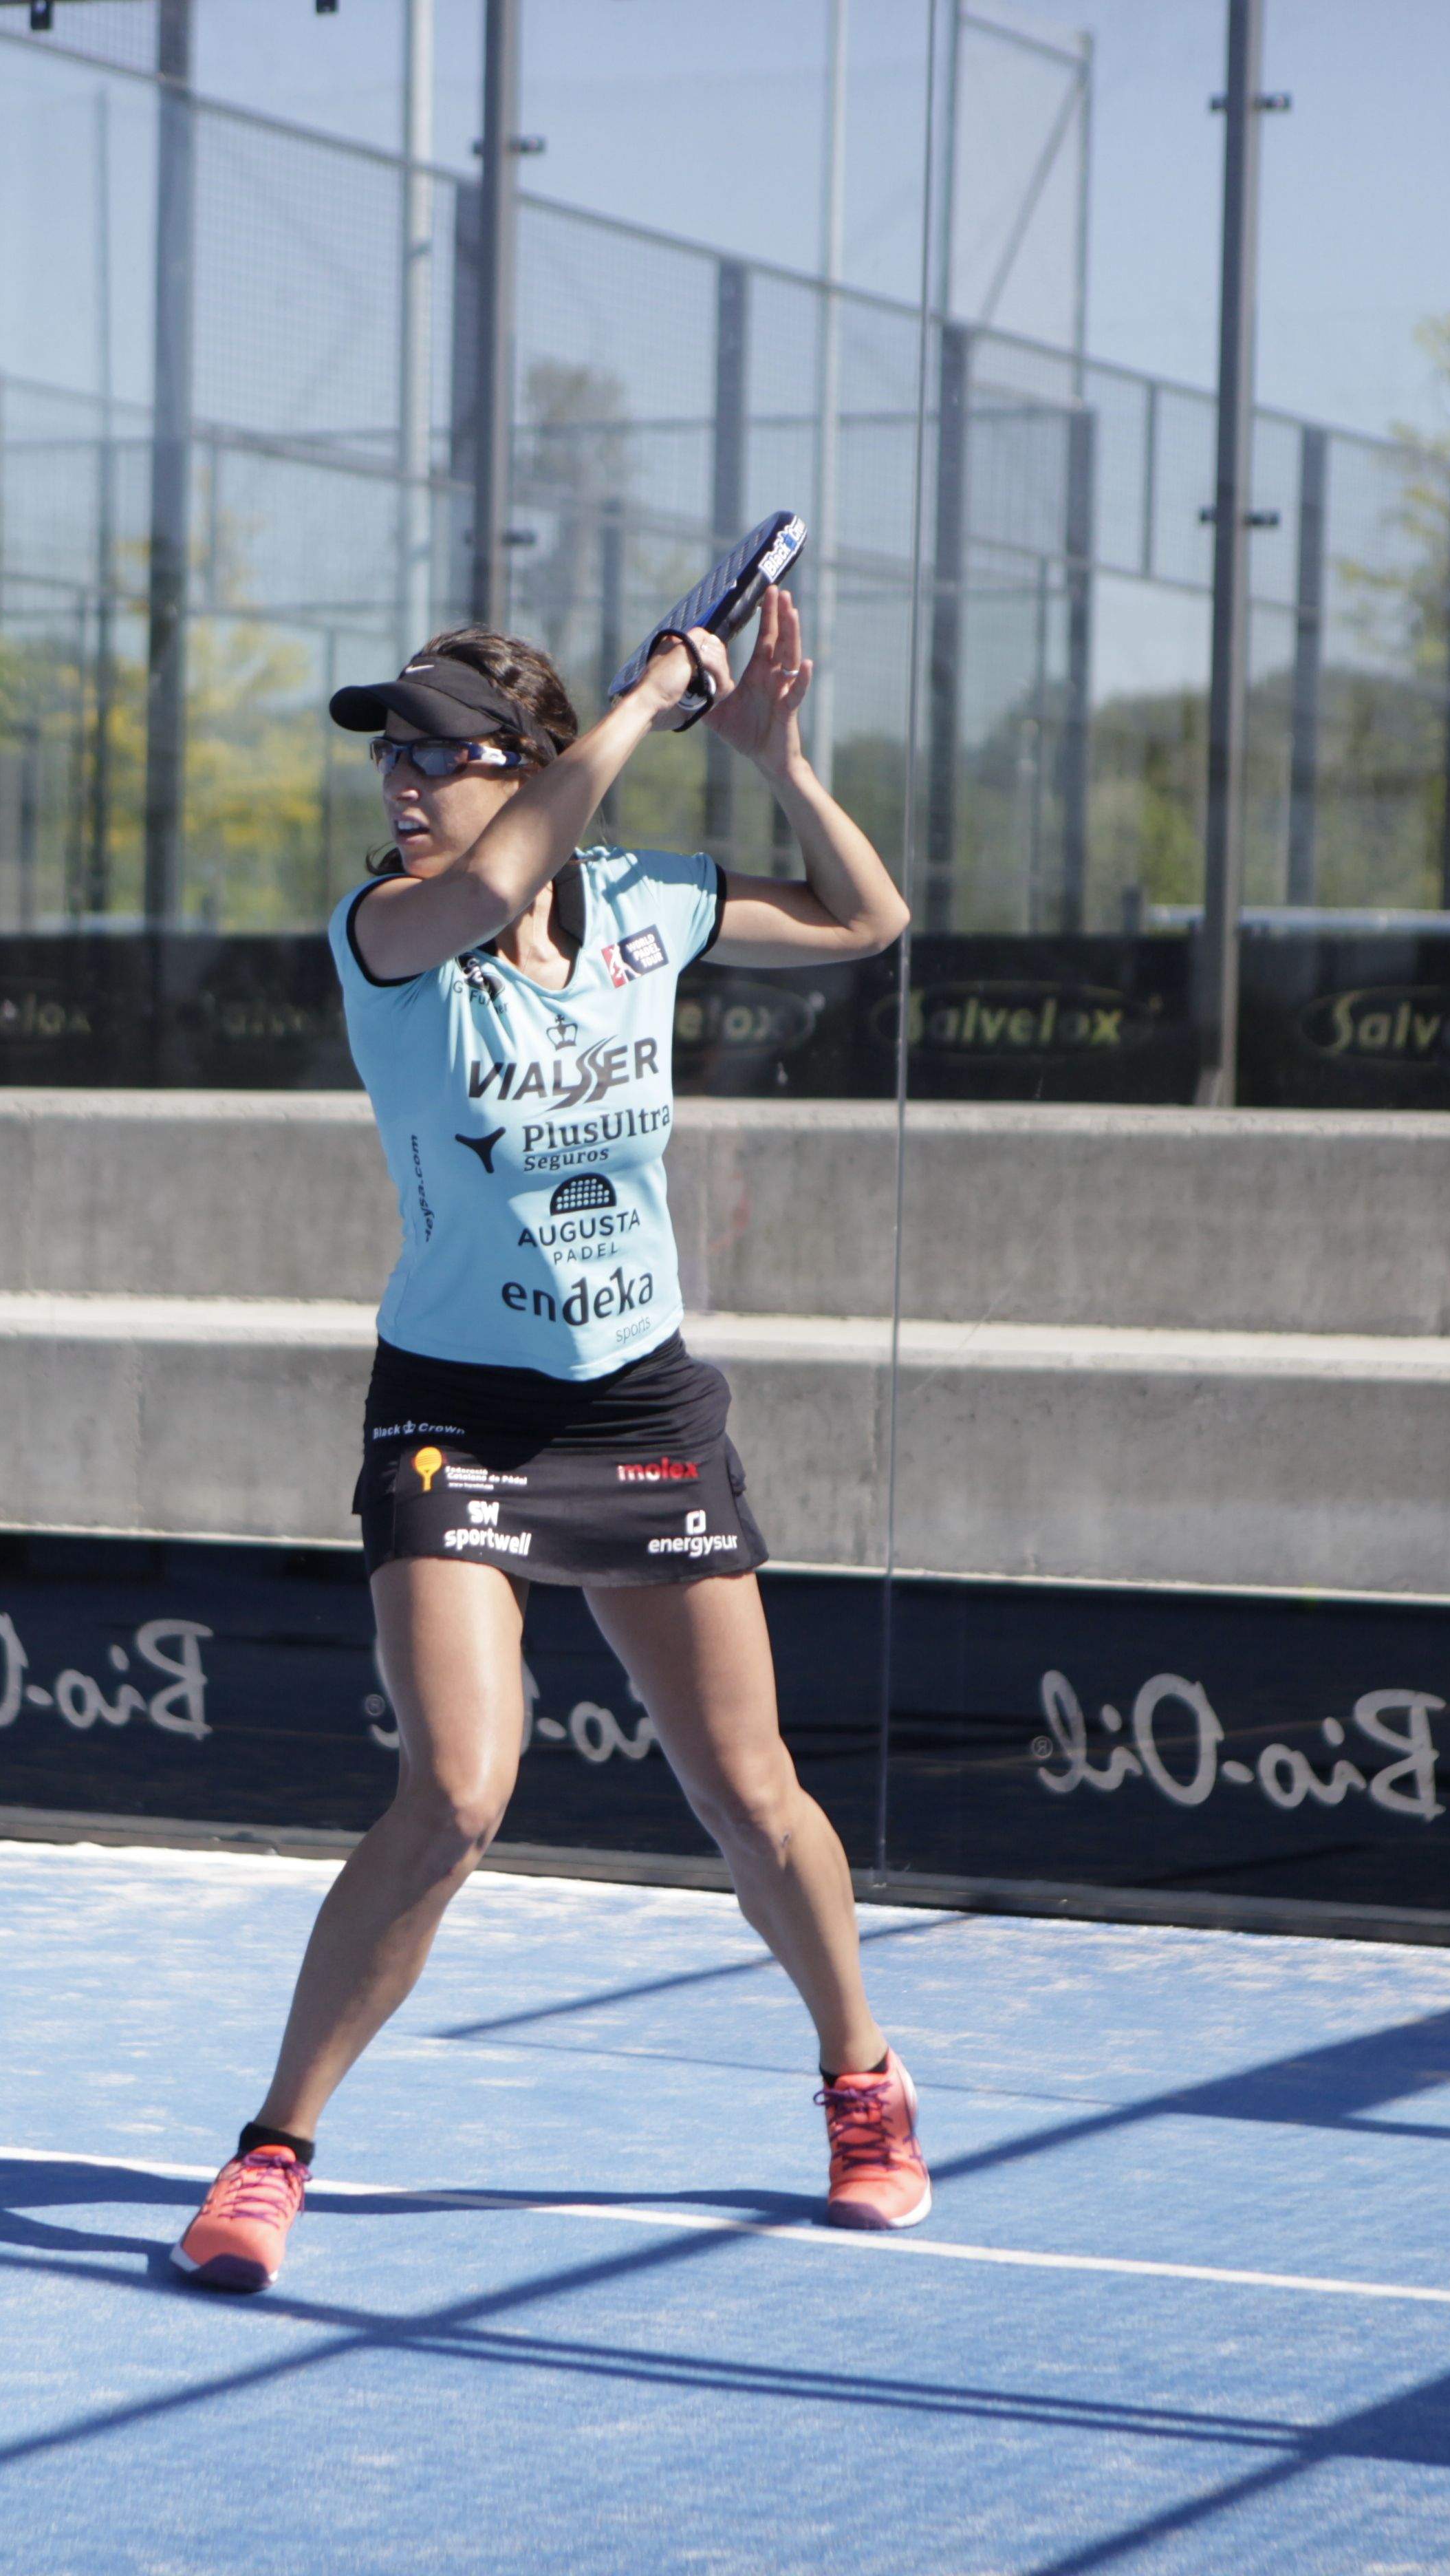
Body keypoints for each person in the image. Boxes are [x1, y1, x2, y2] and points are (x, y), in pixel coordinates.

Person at [172, 587, 916, 2295]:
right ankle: (271, 2152)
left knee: (747, 1794)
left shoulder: (653, 906)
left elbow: (869, 919)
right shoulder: (388, 930)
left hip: (639, 1405)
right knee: (453, 1795)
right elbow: (501, 884)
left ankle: (863, 2082)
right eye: (392, 753)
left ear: (523, 763)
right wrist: (654, 696)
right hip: (454, 1410)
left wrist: (778, 755)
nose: (403, 782)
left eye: (438, 753)